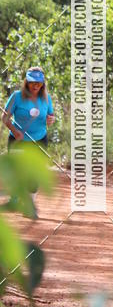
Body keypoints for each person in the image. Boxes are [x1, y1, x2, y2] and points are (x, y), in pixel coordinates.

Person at [2, 67, 55, 217]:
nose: (36, 86)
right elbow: (5, 118)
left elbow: (50, 117)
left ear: (43, 83)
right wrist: (14, 130)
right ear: (26, 82)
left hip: (39, 140)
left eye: (39, 83)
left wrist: (51, 120)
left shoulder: (46, 99)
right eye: (32, 82)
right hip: (18, 140)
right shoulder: (16, 97)